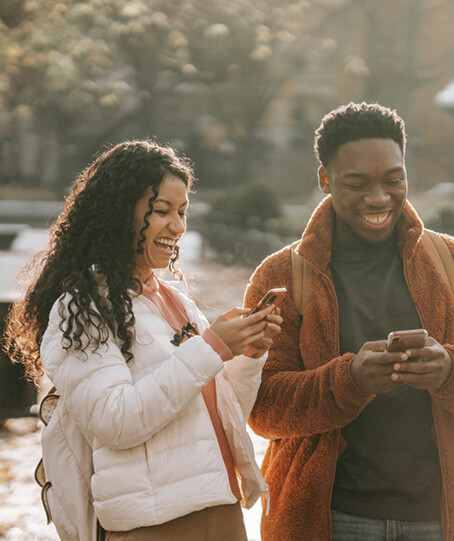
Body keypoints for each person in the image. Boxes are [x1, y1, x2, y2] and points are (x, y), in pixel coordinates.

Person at [245, 102, 454, 541]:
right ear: (325, 180)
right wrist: (348, 380)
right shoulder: (281, 276)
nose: (379, 198)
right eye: (357, 184)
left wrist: (450, 369)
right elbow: (261, 408)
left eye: (394, 180)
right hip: (329, 519)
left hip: (439, 516)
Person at [4, 140, 282, 540]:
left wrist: (248, 356)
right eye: (163, 210)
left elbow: (222, 417)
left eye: (182, 212)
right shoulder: (82, 309)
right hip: (154, 527)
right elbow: (116, 422)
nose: (178, 226)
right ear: (121, 213)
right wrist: (212, 347)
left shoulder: (178, 301)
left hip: (223, 512)